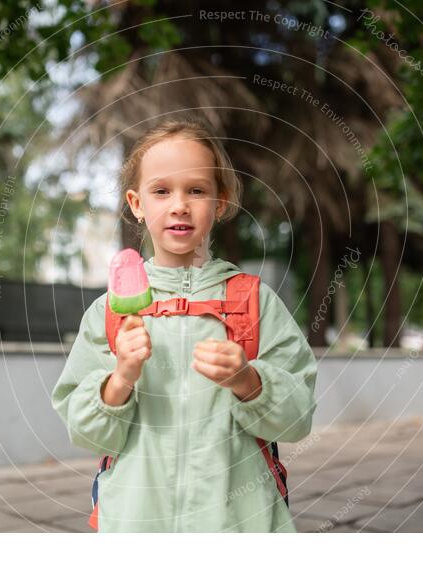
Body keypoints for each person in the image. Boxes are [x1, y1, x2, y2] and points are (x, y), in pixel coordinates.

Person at [51, 117, 318, 532]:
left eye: (196, 190)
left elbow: (298, 418)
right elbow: (85, 431)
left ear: (221, 202)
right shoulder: (110, 312)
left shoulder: (254, 301)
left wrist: (249, 380)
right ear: (137, 205)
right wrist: (120, 378)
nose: (179, 205)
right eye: (161, 191)